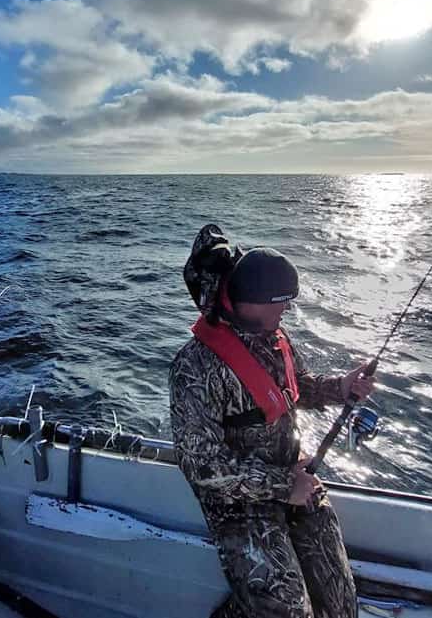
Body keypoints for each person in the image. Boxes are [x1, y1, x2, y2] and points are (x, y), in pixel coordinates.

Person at [170, 225, 376, 618]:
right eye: (281, 303)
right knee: (285, 610)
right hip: (238, 506)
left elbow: (295, 389)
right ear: (251, 301)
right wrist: (283, 485)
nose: (287, 311)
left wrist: (341, 387)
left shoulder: (274, 337)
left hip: (294, 482)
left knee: (340, 600)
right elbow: (201, 465)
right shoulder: (193, 366)